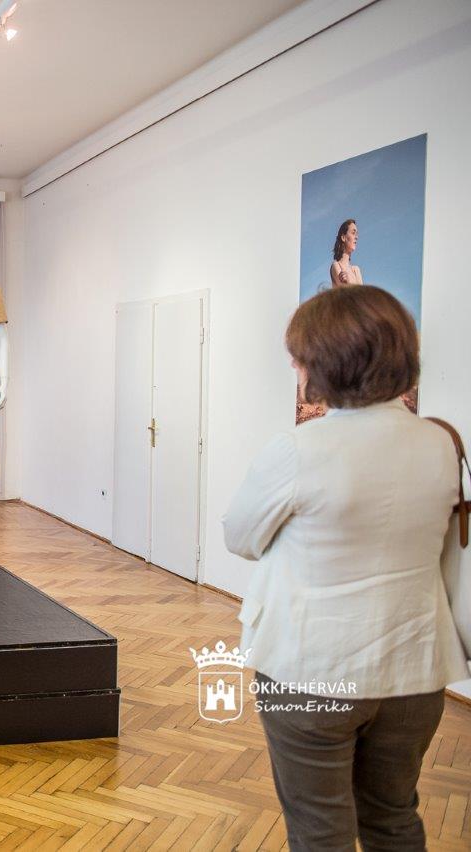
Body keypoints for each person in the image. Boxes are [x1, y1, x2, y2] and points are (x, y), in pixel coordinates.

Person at [223, 285, 467, 851]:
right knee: (394, 819)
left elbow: (241, 538)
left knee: (320, 830)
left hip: (311, 673)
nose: (295, 365)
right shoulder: (441, 444)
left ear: (328, 362)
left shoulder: (298, 450)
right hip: (415, 673)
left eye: (300, 355)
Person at [329, 219, 363, 286]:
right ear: (343, 238)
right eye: (353, 233)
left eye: (357, 234)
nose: (356, 237)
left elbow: (363, 293)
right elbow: (346, 291)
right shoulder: (336, 266)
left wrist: (349, 281)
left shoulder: (356, 270)